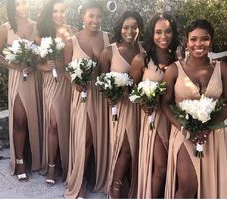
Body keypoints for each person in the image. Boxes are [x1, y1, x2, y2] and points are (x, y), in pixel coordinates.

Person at [161, 19, 227, 198]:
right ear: (187, 42)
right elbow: (165, 103)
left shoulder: (222, 69)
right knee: (188, 185)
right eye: (194, 39)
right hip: (184, 134)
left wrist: (209, 126)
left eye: (204, 39)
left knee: (209, 185)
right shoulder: (174, 69)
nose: (199, 44)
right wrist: (182, 127)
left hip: (214, 136)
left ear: (211, 41)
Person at [0, 0, 42, 181]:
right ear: (13, 7)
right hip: (18, 79)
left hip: (35, 79)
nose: (23, 7)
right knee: (20, 120)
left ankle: (35, 158)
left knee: (35, 120)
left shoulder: (37, 26)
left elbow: (42, 54)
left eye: (25, 2)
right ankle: (20, 161)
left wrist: (34, 66)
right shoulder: (6, 28)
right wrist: (12, 65)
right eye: (18, 3)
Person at [63, 1, 110, 198]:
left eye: (98, 16)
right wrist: (74, 82)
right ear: (83, 16)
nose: (95, 20)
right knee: (86, 139)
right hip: (82, 95)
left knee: (101, 138)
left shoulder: (108, 38)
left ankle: (97, 176)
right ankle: (79, 181)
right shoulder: (71, 42)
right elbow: (66, 69)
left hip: (102, 95)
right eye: (91, 16)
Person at [130, 13, 179, 198]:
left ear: (173, 33)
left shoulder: (179, 58)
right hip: (153, 120)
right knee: (161, 166)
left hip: (173, 119)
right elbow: (132, 89)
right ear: (152, 34)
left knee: (171, 165)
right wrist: (144, 102)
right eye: (158, 32)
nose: (163, 36)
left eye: (168, 31)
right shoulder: (141, 59)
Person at [99, 11, 144, 198]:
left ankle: (129, 187)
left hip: (138, 108)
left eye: (134, 27)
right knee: (124, 148)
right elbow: (102, 82)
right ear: (120, 28)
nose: (130, 31)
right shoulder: (109, 51)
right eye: (126, 27)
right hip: (119, 108)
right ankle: (114, 189)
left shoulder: (144, 51)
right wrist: (110, 96)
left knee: (134, 149)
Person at [36, 0, 77, 186]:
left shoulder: (73, 31)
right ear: (50, 13)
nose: (59, 15)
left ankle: (68, 164)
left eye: (62, 11)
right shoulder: (42, 33)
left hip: (69, 82)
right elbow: (34, 62)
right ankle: (52, 165)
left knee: (69, 123)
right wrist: (45, 66)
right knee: (53, 124)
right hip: (52, 82)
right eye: (55, 11)